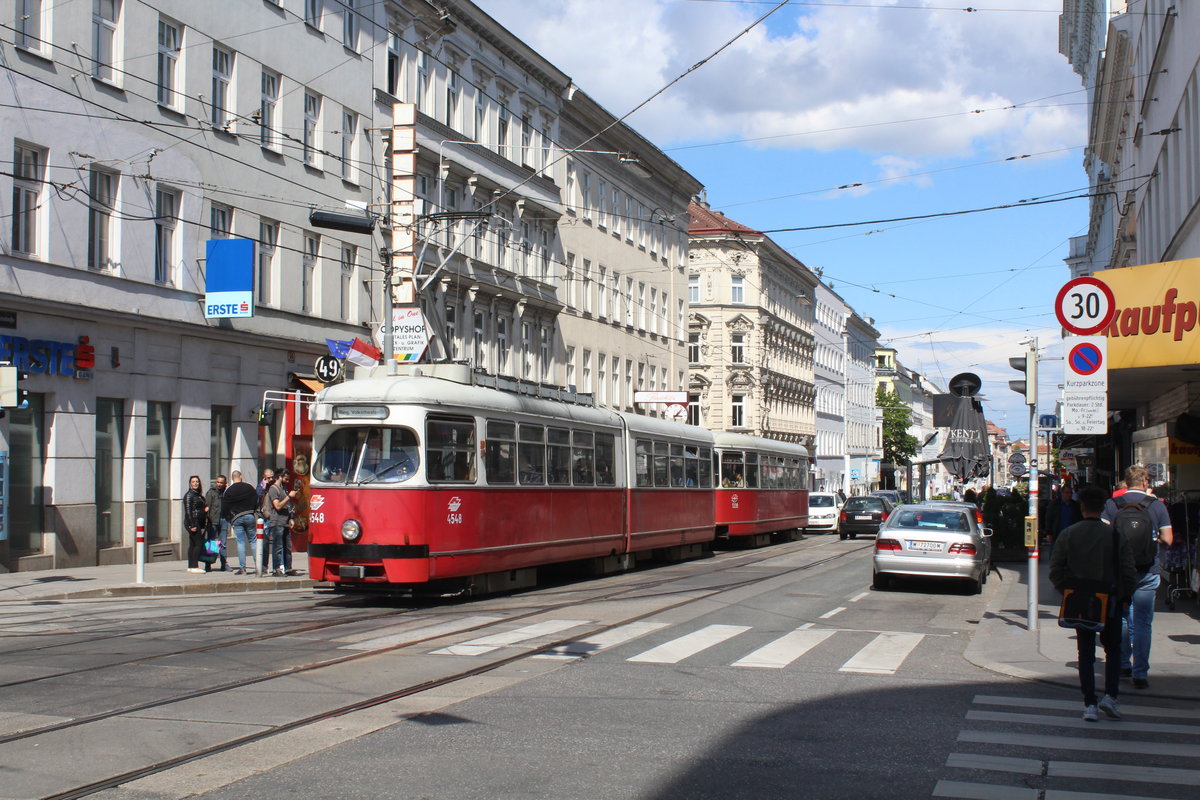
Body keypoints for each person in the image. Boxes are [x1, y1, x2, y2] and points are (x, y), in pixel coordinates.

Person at [1050, 484, 1137, 722]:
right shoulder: (1115, 535)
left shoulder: (1069, 533)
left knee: (1085, 653)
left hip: (1079, 600)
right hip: (1109, 600)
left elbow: (1055, 568)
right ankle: (1110, 696)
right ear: (1102, 507)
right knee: (1113, 650)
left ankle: (1090, 703)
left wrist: (1066, 592)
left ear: (1082, 506)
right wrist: (1123, 595)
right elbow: (1128, 571)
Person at [1101, 465, 1173, 689]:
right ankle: (1140, 673)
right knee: (1143, 623)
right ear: (1144, 482)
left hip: (1120, 571)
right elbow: (1168, 539)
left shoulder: (1111, 505)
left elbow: (1104, 538)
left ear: (1126, 481)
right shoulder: (1156, 507)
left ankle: (1123, 664)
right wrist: (1152, 543)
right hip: (1148, 570)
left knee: (1121, 618)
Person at [223, 470, 260, 575]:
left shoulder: (229, 491)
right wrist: (253, 510)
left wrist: (228, 517)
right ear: (241, 477)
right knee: (253, 540)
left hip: (236, 518)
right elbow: (257, 500)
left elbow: (225, 506)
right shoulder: (249, 487)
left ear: (232, 478)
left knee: (240, 542)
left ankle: (242, 568)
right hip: (249, 515)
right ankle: (259, 566)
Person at [264, 468, 297, 577]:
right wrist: (288, 497)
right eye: (286, 479)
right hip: (277, 521)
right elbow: (277, 506)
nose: (288, 481)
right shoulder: (274, 489)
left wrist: (291, 517)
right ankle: (276, 569)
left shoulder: (284, 488)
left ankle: (288, 568)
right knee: (277, 546)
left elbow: (288, 506)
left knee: (287, 547)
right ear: (280, 477)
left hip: (285, 521)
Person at [1045, 485, 1081, 561]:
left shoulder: (1076, 506)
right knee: (1055, 557)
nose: (1069, 495)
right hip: (1057, 535)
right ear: (1062, 493)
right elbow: (1048, 518)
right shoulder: (1054, 504)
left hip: (1072, 536)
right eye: (1067, 493)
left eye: (1071, 493)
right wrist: (1048, 533)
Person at [204, 475, 230, 572]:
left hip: (223, 519)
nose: (219, 484)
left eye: (221, 483)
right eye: (218, 482)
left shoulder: (227, 493)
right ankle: (208, 564)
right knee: (212, 543)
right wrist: (207, 519)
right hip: (213, 520)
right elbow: (207, 506)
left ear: (225, 483)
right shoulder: (211, 492)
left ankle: (224, 563)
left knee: (223, 543)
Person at [183, 475, 208, 574]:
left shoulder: (197, 494)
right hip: (193, 522)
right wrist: (192, 525)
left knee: (193, 544)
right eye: (193, 482)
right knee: (198, 544)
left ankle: (191, 566)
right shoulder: (189, 495)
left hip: (197, 521)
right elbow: (188, 512)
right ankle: (194, 566)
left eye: (197, 481)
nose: (195, 483)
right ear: (190, 484)